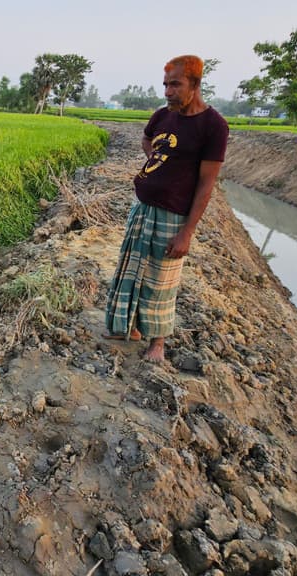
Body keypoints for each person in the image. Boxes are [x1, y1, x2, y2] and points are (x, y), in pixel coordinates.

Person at [104, 55, 228, 362]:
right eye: (165, 84)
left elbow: (206, 184)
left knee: (162, 279)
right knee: (131, 270)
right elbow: (148, 141)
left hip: (174, 214)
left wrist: (187, 232)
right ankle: (129, 328)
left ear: (196, 84)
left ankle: (157, 342)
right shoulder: (162, 116)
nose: (167, 91)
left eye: (175, 84)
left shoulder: (213, 126)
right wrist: (158, 161)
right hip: (142, 206)